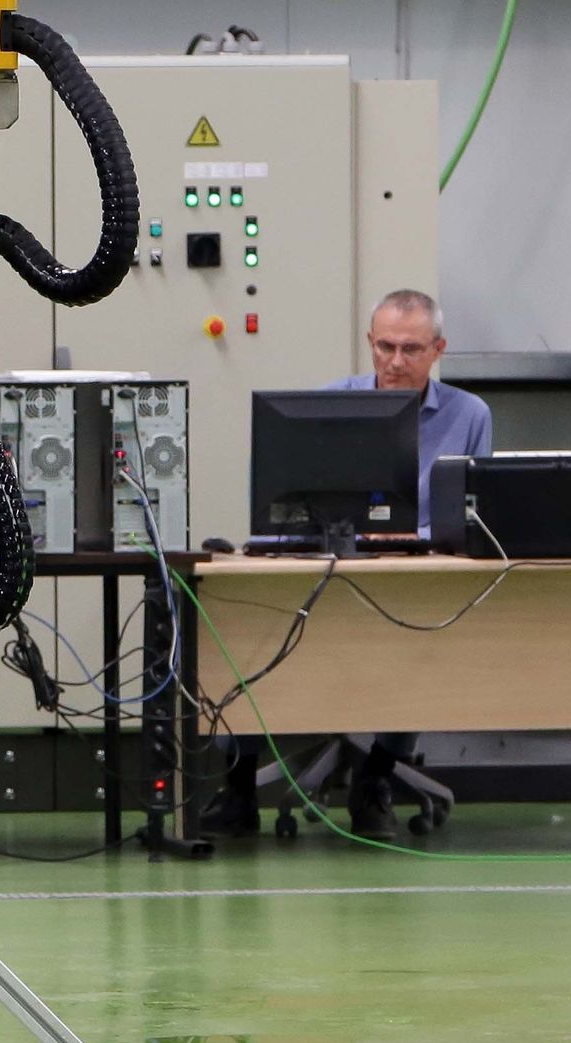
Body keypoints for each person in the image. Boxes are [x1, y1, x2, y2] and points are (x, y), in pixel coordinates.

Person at [203, 289, 492, 840]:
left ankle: (375, 777)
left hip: (417, 579)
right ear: (370, 343)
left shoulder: (469, 416)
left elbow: (475, 515)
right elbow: (290, 504)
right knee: (242, 632)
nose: (396, 361)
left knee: (418, 640)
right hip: (328, 564)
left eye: (412, 348)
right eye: (385, 346)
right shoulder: (334, 401)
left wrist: (416, 537)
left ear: (439, 350)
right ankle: (237, 788)